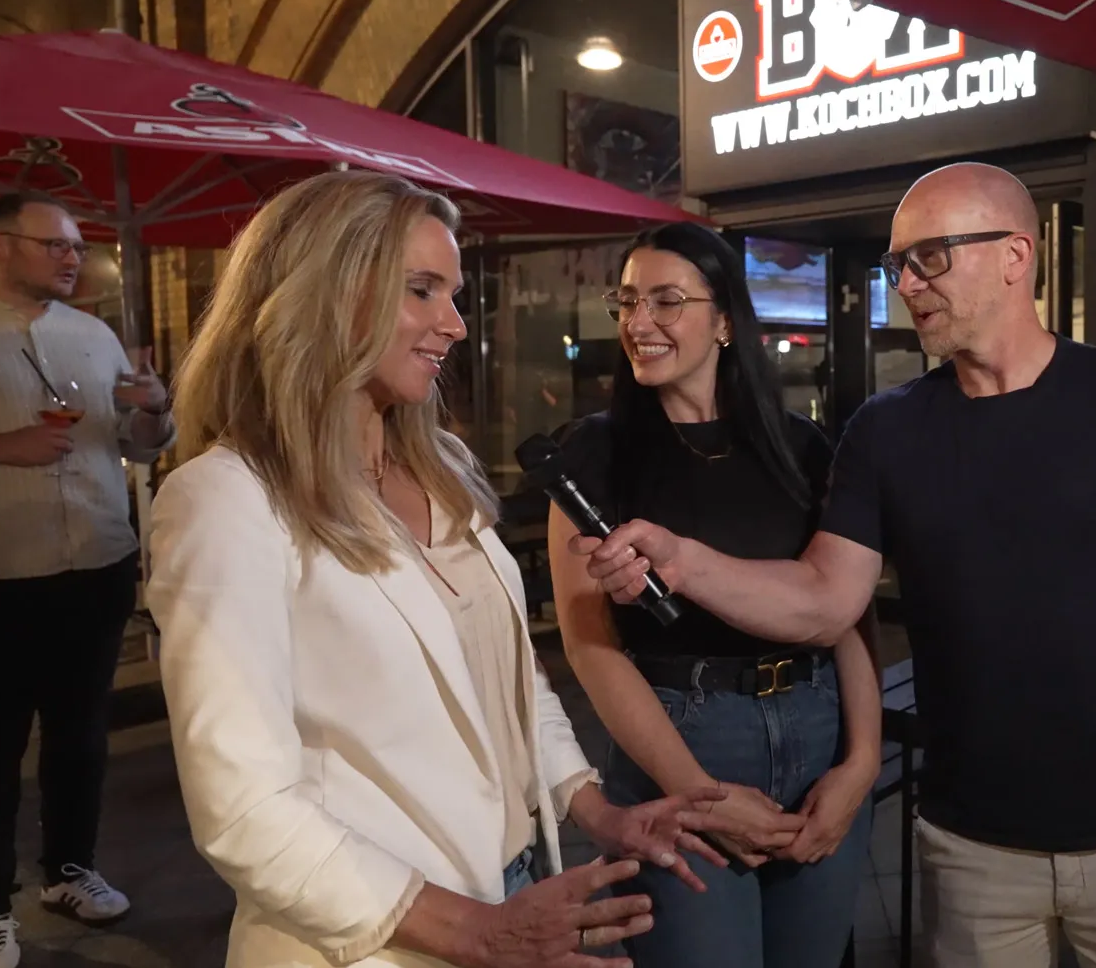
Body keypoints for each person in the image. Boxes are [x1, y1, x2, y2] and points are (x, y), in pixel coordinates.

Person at [575, 163, 1096, 967]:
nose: (907, 285)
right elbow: (826, 601)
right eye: (898, 265)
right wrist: (682, 561)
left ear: (1015, 256)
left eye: (930, 258)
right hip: (969, 843)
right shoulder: (885, 432)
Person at [144, 171, 746, 968]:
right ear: (324, 293)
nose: (455, 325)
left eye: (453, 295)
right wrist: (475, 932)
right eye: (421, 290)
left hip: (512, 887)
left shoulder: (442, 465)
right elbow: (244, 812)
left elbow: (507, 676)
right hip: (377, 939)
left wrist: (595, 810)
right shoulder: (226, 500)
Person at [545, 222, 879, 968]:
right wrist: (698, 793)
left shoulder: (803, 446)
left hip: (816, 725)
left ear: (725, 319)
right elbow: (590, 648)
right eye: (628, 301)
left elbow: (847, 618)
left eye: (666, 301)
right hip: (683, 737)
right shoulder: (593, 453)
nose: (639, 322)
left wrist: (861, 761)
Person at [0, 192, 174, 968]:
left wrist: (153, 408)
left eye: (78, 245)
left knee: (81, 737)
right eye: (57, 245)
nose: (74, 257)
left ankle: (69, 870)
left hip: (97, 563)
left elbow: (140, 446)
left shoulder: (92, 334)